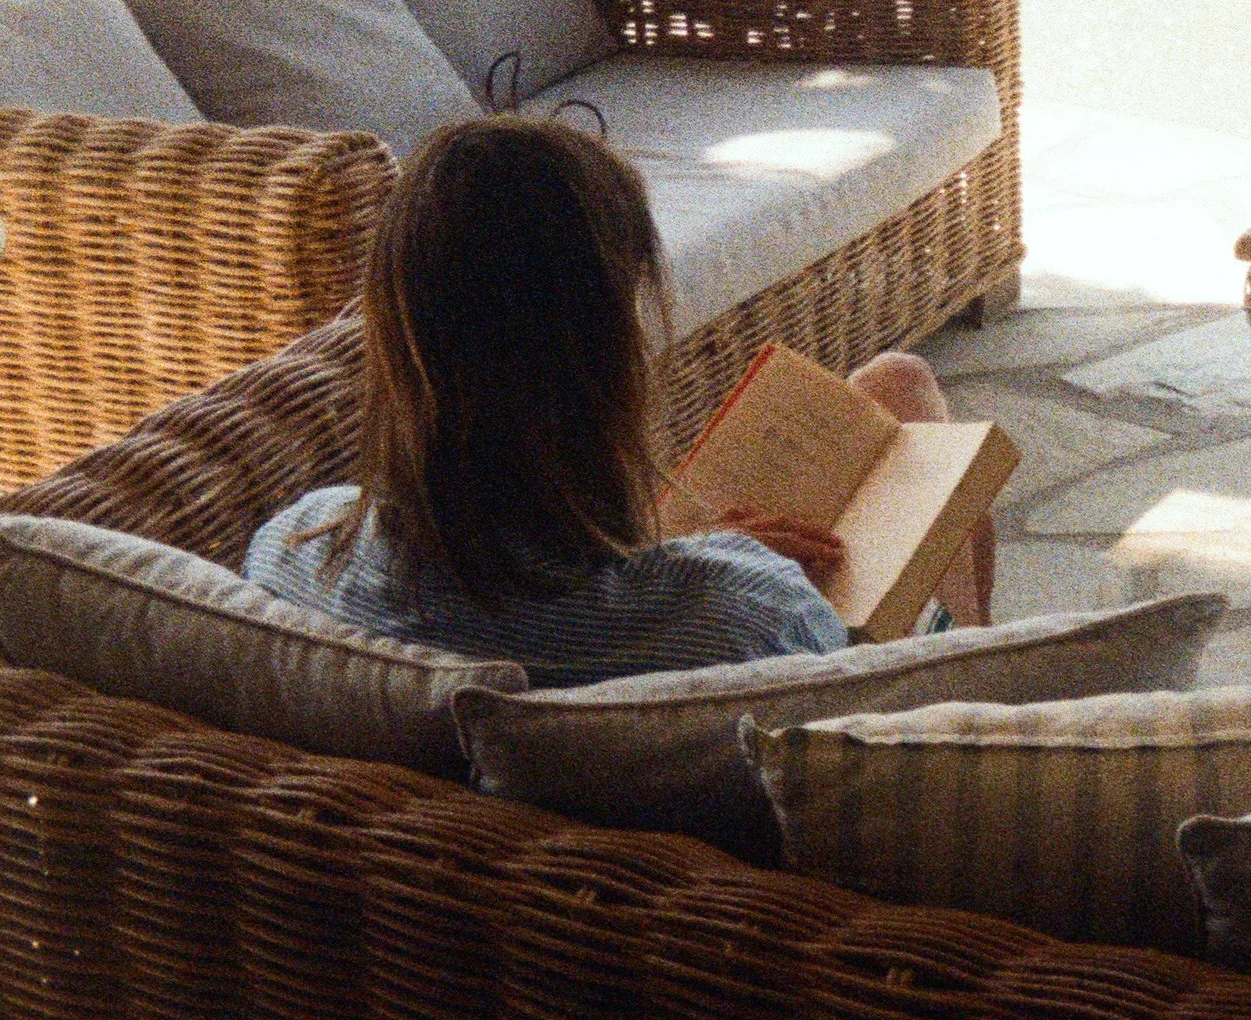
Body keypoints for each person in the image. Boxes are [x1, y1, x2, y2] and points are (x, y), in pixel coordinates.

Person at [244, 111, 992, 681]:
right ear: (600, 358)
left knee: (894, 383)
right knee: (923, 438)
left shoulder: (289, 552)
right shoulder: (748, 620)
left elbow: (530, 611)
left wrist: (679, 554)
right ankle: (998, 666)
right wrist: (726, 570)